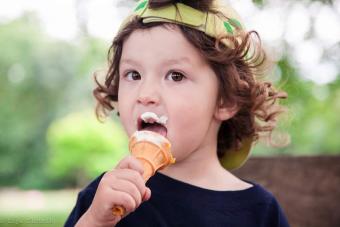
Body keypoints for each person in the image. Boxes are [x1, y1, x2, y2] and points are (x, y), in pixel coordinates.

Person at [65, 0, 290, 226]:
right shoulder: (105, 200)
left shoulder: (260, 212)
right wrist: (95, 221)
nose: (145, 94)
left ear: (226, 100)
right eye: (133, 75)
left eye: (175, 76)